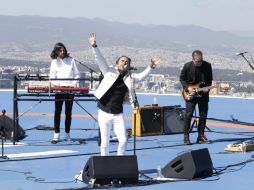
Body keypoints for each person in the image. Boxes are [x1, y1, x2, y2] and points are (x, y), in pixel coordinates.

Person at [88, 33, 160, 156]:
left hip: (117, 114)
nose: (124, 63)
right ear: (117, 62)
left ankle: (119, 161)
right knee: (105, 142)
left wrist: (151, 67)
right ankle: (104, 162)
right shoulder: (108, 71)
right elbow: (100, 60)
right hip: (104, 112)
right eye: (122, 61)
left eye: (127, 62)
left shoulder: (129, 77)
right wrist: (94, 46)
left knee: (123, 140)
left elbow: (141, 76)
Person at [49, 42, 80, 144]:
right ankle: (56, 134)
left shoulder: (71, 60)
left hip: (70, 90)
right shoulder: (54, 62)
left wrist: (73, 84)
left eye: (63, 50)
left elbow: (77, 74)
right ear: (56, 51)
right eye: (60, 50)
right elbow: (52, 77)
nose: (62, 52)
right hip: (59, 89)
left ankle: (67, 133)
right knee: (57, 111)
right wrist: (60, 84)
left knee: (68, 112)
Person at [180, 50, 213, 144]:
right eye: (197, 61)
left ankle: (201, 135)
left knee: (203, 115)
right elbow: (182, 79)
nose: (199, 63)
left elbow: (209, 81)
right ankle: (186, 136)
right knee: (188, 115)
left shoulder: (207, 65)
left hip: (203, 94)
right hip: (190, 94)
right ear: (193, 60)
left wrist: (208, 88)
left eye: (201, 60)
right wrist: (187, 88)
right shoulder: (187, 66)